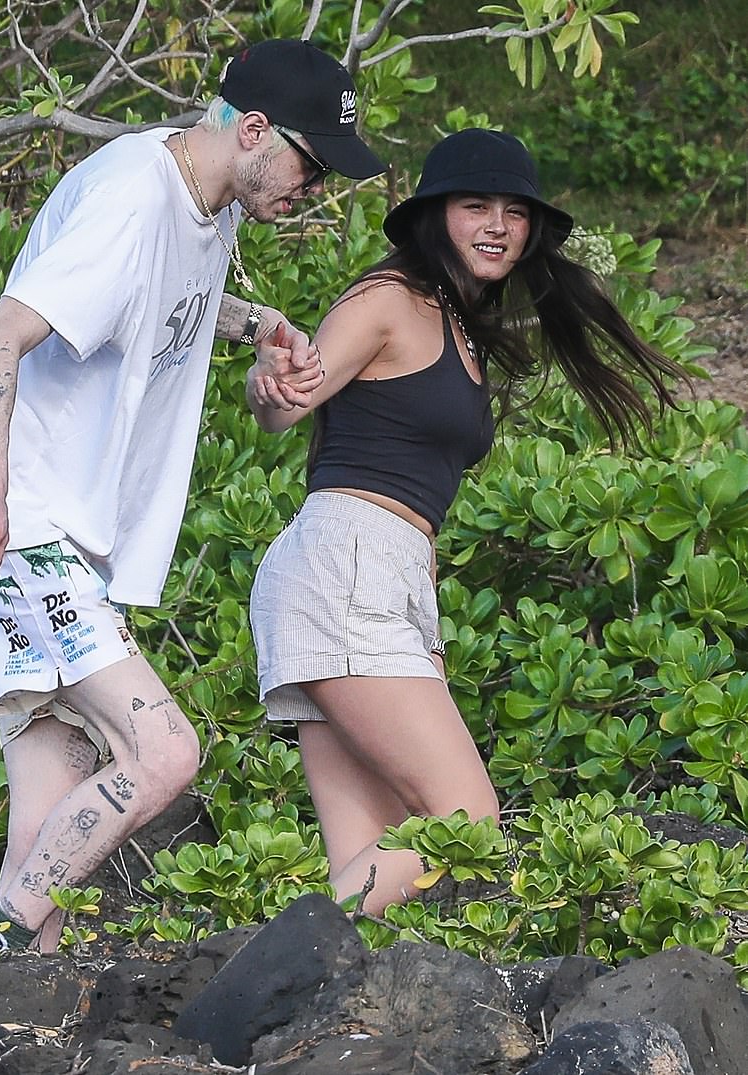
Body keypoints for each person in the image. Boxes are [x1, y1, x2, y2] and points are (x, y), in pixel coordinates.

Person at [0, 38, 386, 953]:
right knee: (164, 751)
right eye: (311, 165)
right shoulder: (134, 198)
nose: (315, 191)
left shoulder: (209, 204)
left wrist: (261, 322)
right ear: (254, 129)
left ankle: (10, 999)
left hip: (61, 532)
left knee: (56, 789)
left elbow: (161, 299)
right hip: (20, 523)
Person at [247, 128, 684, 916]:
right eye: (474, 205)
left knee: (367, 861)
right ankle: (248, 973)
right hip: (348, 566)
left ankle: (270, 1007)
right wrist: (271, 385)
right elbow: (293, 396)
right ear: (433, 216)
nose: (497, 225)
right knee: (465, 824)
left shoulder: (457, 322)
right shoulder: (389, 301)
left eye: (515, 212)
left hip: (378, 575)